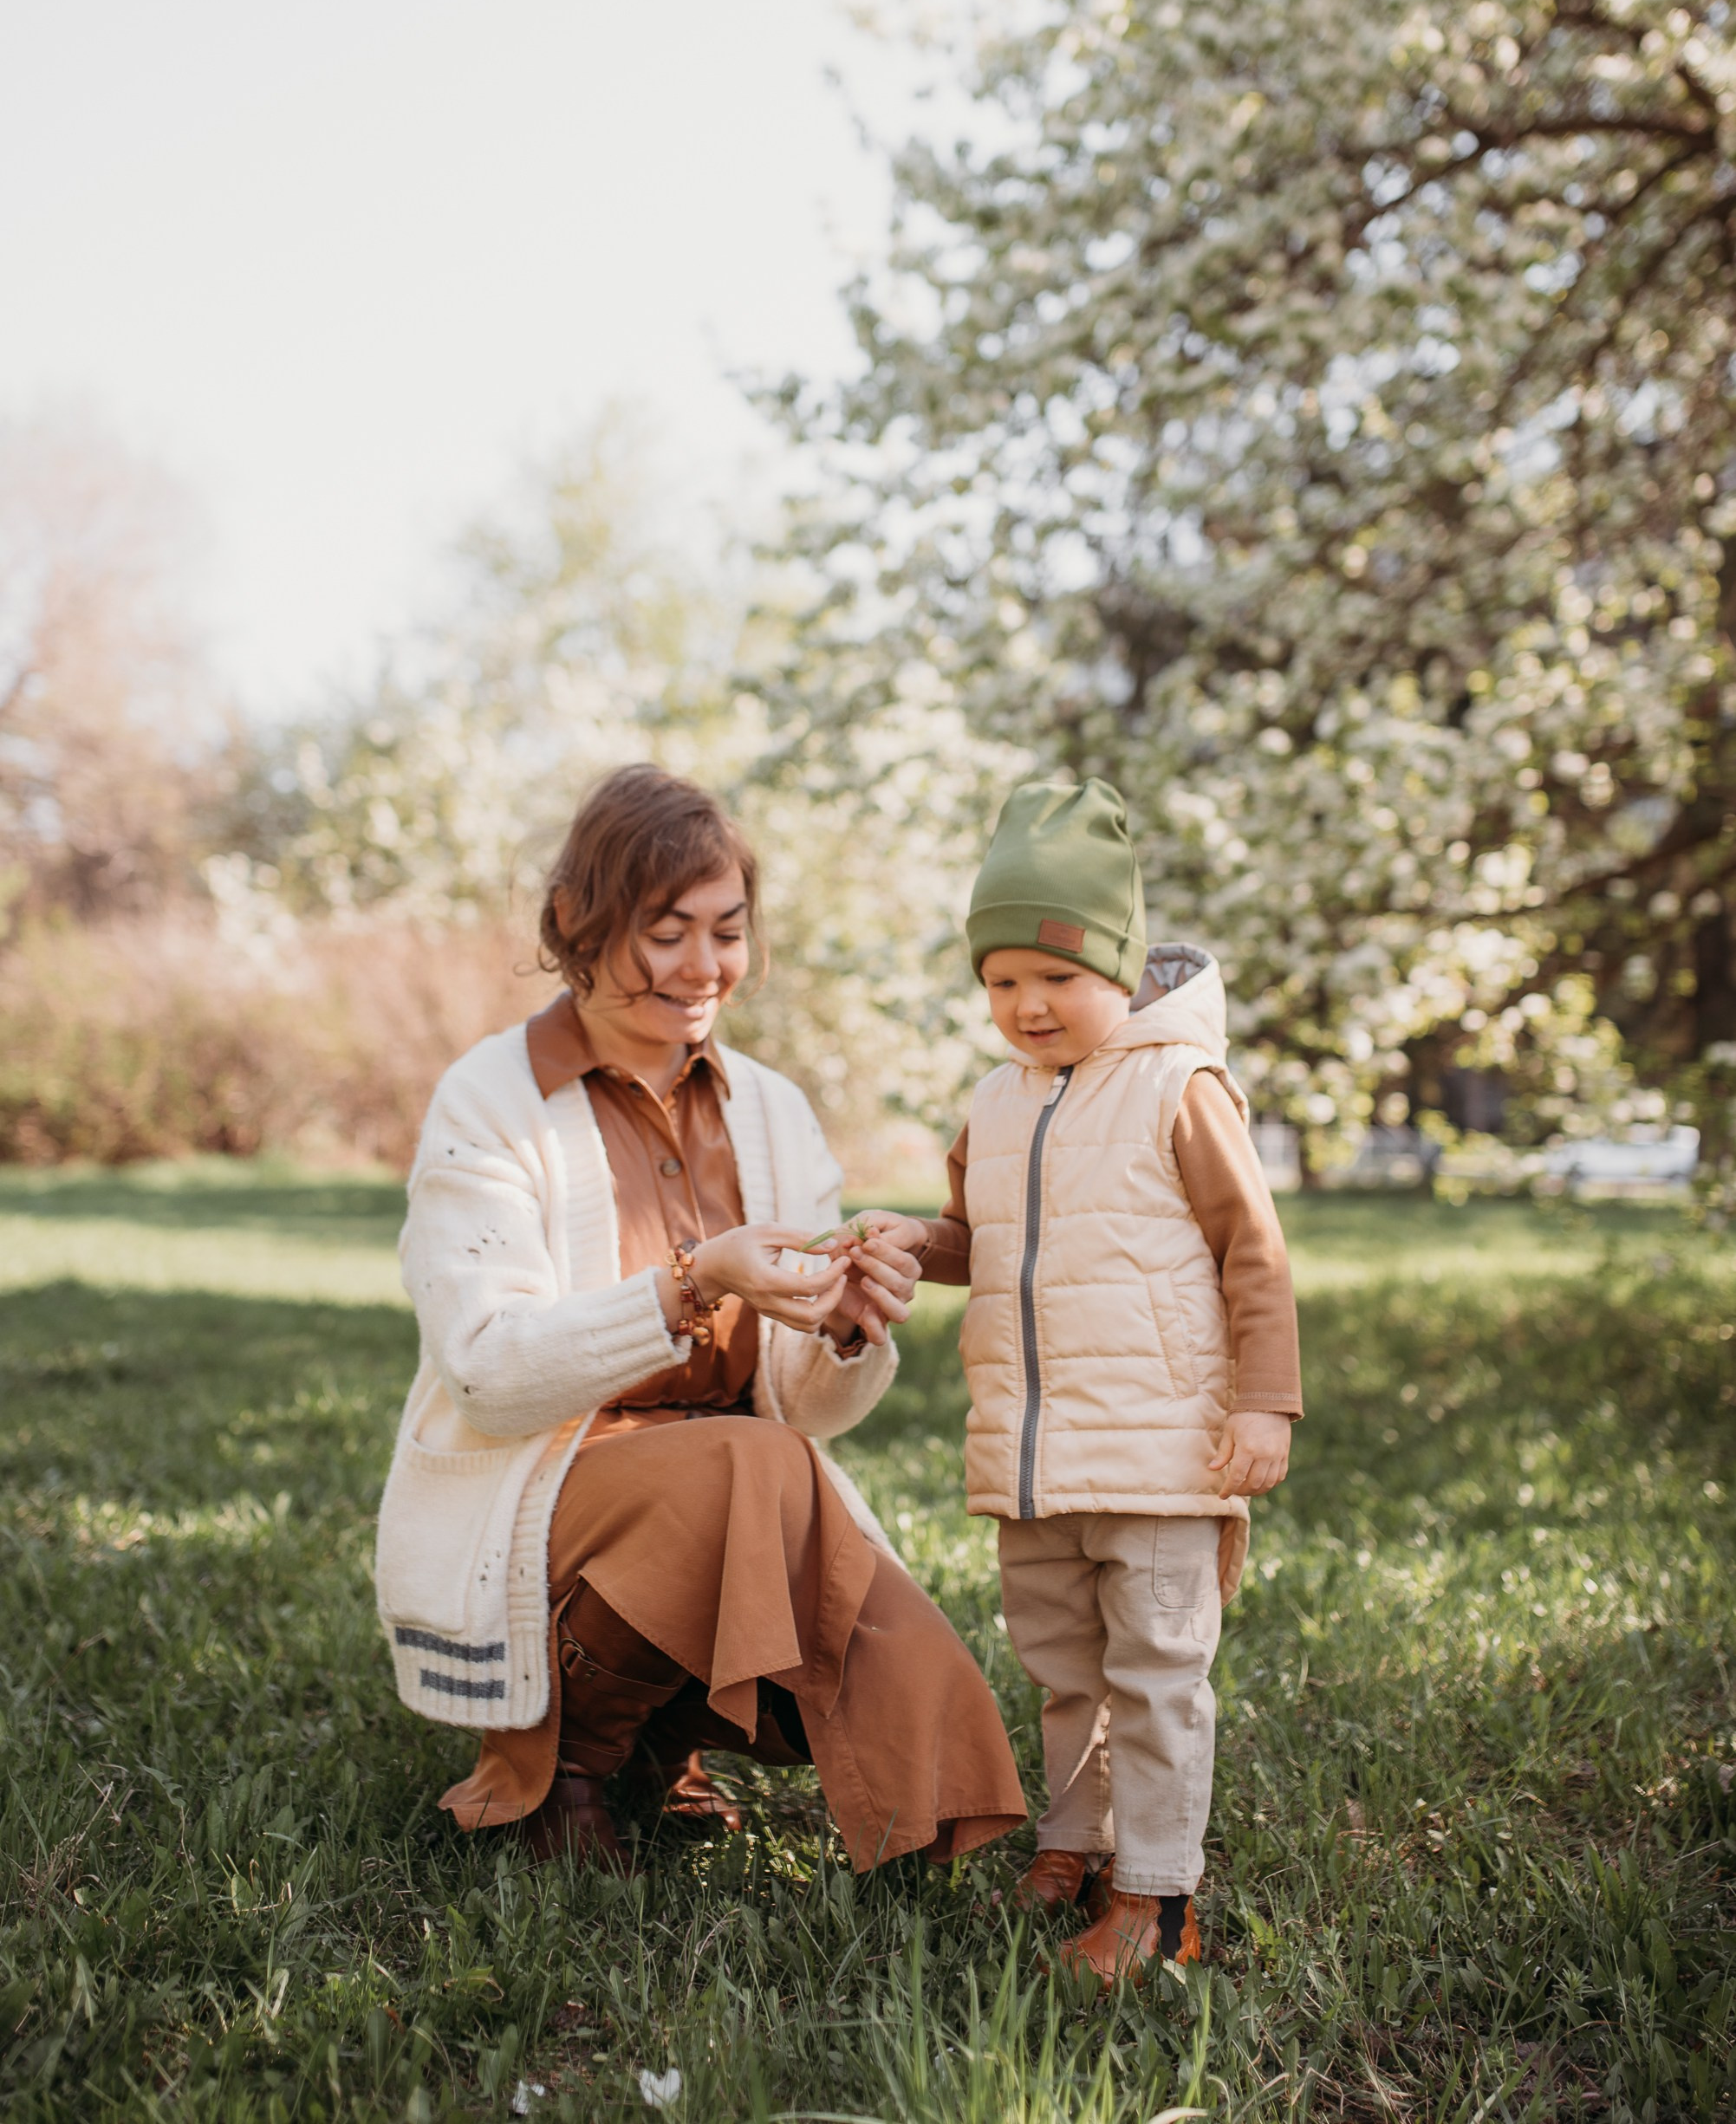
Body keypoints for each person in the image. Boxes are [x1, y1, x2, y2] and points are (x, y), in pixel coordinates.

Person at [374, 764, 1024, 1872]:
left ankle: (925, 1818)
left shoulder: (769, 1108)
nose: (703, 967)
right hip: (542, 1483)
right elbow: (487, 1373)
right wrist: (693, 1281)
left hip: (730, 1480)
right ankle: (556, 1771)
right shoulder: (489, 1100)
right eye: (664, 932)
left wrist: (844, 1324)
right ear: (579, 926)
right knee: (756, 1473)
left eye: (726, 930)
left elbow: (804, 1411)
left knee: (772, 1470)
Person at [851, 778, 1303, 1983]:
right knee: (1064, 1671)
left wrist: (1263, 1401)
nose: (1025, 1005)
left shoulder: (1178, 1089)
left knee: (1153, 1678)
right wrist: (913, 1239)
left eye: (1054, 976)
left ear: (1119, 967)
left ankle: (1156, 1901)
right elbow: (979, 1240)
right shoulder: (994, 1106)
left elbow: (1249, 1252)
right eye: (1000, 982)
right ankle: (1073, 1842)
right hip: (1037, 1461)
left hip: (1159, 1456)